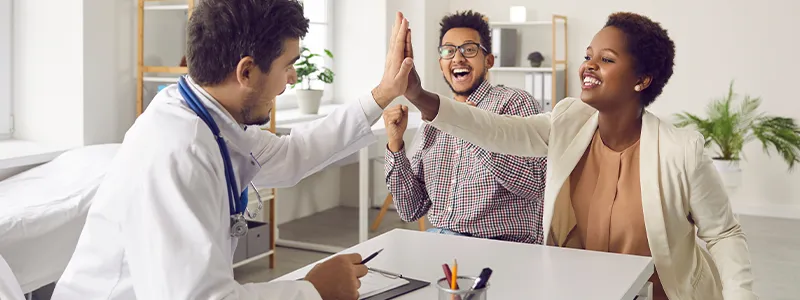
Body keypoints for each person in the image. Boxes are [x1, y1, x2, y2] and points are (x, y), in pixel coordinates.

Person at [51, 1, 414, 299]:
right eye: (288, 67)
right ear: (246, 72)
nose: (291, 81)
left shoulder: (210, 118)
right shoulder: (178, 151)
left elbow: (293, 154)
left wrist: (382, 92)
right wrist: (313, 290)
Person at [401, 12, 757, 300]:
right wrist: (420, 96)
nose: (588, 65)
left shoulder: (682, 151)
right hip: (580, 289)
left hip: (657, 294)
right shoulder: (569, 119)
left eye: (606, 59)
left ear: (642, 79)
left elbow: (724, 233)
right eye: (588, 56)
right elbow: (499, 130)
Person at [382, 11, 547, 244]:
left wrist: (469, 126)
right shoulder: (433, 123)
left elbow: (533, 185)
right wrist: (395, 145)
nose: (458, 58)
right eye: (448, 51)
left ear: (488, 60)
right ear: (441, 64)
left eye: (469, 49)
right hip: (441, 242)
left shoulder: (514, 103)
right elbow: (411, 210)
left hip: (503, 246)